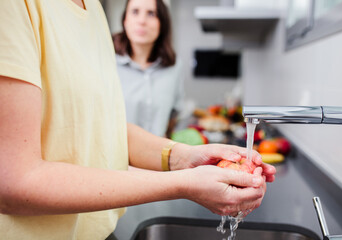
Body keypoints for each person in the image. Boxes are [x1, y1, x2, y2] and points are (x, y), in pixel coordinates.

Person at [0, 0, 276, 240]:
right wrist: (184, 182)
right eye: (135, 12)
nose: (142, 19)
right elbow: (14, 181)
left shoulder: (94, 11)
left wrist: (183, 156)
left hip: (104, 230)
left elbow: (104, 127)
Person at [112, 0, 183, 137]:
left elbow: (173, 116)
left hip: (158, 156)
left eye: (151, 13)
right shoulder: (107, 61)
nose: (142, 21)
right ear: (125, 20)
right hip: (115, 156)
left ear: (162, 22)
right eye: (135, 12)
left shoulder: (174, 66)